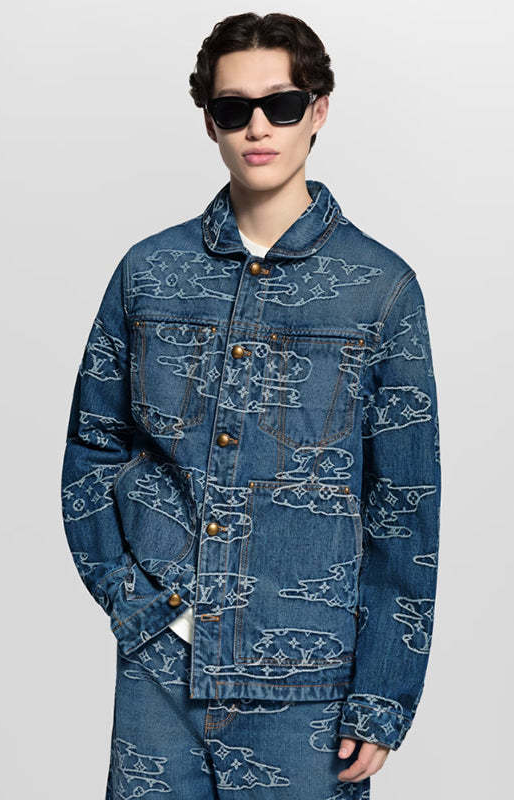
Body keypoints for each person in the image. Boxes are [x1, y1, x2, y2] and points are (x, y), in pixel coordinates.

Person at [60, 12, 441, 798]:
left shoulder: (380, 290)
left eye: (282, 105)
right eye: (234, 108)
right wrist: (141, 611)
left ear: (319, 110)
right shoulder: (148, 275)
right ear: (210, 120)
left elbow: (404, 508)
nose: (258, 128)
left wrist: (383, 695)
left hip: (310, 693)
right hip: (161, 677)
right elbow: (91, 452)